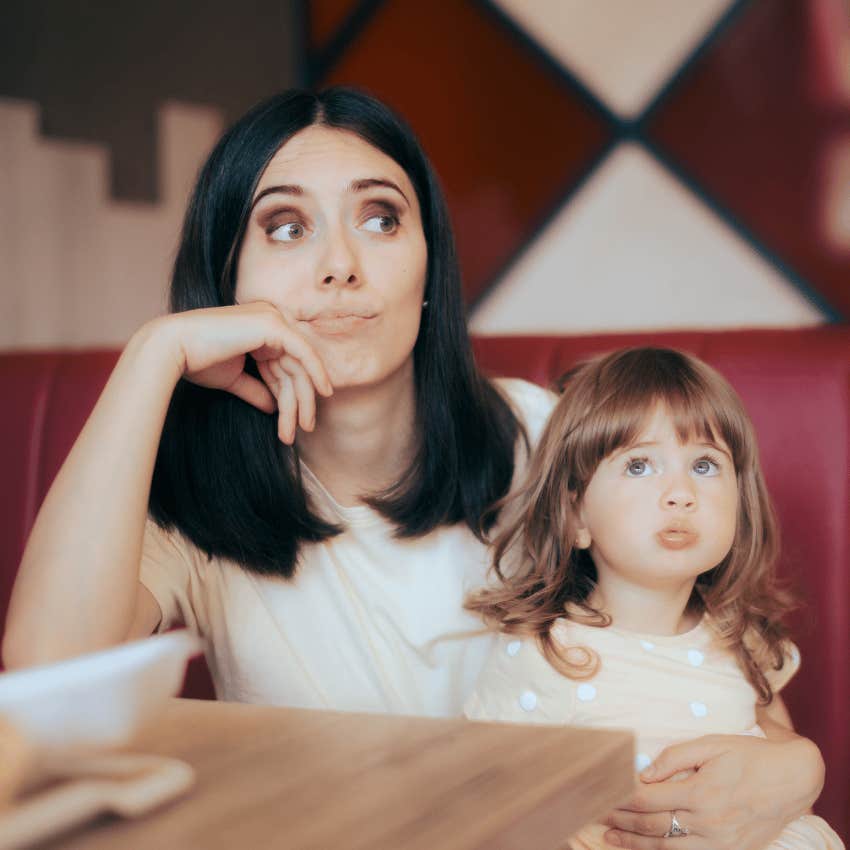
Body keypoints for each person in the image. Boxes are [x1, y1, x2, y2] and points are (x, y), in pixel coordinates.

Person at [2, 88, 825, 850]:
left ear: (431, 265)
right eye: (286, 227)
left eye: (382, 220)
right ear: (229, 276)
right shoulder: (194, 510)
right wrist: (155, 355)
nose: (340, 266)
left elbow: (726, 683)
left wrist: (798, 768)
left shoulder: (547, 443)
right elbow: (46, 673)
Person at [465, 347, 842, 850]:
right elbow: (490, 802)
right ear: (575, 516)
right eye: (640, 465)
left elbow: (791, 792)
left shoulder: (740, 636)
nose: (680, 492)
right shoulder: (547, 651)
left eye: (705, 465)